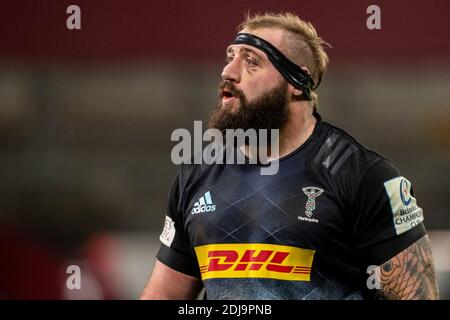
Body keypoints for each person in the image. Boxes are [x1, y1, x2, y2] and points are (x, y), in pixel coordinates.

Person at [140, 12, 439, 300]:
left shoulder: (363, 176)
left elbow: (418, 294)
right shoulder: (197, 175)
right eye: (230, 57)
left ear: (296, 81)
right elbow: (165, 293)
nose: (228, 72)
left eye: (251, 61)